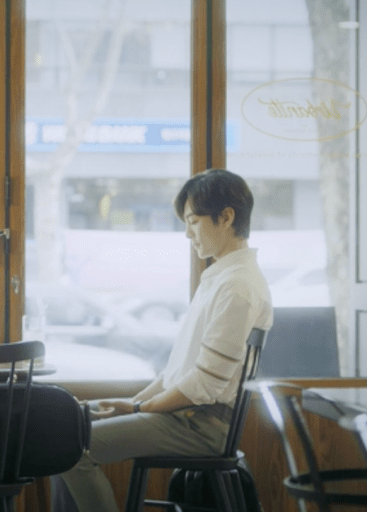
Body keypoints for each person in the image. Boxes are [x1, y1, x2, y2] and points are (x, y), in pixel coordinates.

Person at [56, 168, 273, 512]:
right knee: (61, 430)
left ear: (226, 217)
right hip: (186, 417)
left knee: (68, 449)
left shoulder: (238, 286)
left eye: (193, 221)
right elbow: (178, 372)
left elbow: (205, 384)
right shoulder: (221, 278)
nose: (187, 233)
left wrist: (138, 408)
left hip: (202, 425)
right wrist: (133, 402)